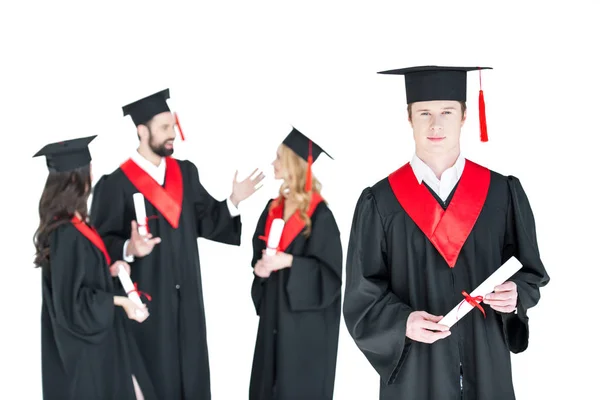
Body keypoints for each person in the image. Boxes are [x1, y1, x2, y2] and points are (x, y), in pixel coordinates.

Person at [342, 66, 550, 400]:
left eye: (447, 112)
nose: (435, 124)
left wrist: (516, 297)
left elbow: (530, 273)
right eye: (424, 113)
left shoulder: (501, 193)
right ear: (409, 117)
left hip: (486, 360)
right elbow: (361, 293)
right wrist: (402, 323)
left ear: (465, 115)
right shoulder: (380, 201)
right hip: (416, 370)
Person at [89, 88, 265, 400]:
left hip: (189, 306)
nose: (174, 134)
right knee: (157, 380)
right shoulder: (114, 185)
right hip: (146, 307)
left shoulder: (185, 172)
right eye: (165, 128)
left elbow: (206, 219)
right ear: (142, 131)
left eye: (173, 126)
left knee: (192, 377)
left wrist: (234, 200)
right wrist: (128, 248)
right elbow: (98, 247)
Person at [33, 135, 157, 400]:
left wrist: (108, 271)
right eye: (89, 168)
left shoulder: (77, 225)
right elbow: (72, 304)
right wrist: (121, 302)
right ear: (78, 179)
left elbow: (81, 281)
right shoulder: (65, 233)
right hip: (86, 352)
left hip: (102, 342)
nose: (93, 172)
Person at [249, 127, 343, 400]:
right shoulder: (272, 208)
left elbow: (331, 277)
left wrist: (288, 260)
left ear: (293, 163)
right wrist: (260, 269)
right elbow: (258, 256)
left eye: (279, 157)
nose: (273, 163)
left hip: (305, 329)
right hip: (274, 317)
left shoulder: (320, 216)